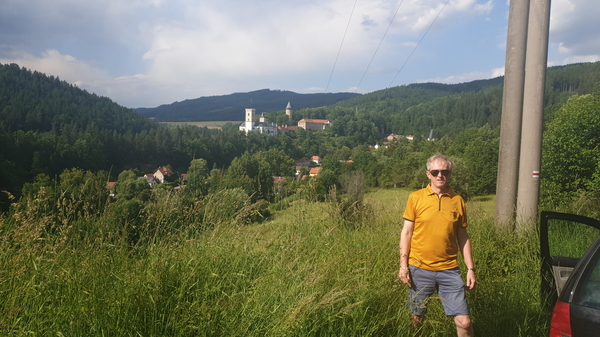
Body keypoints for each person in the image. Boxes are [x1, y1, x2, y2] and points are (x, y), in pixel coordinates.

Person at [398, 153, 476, 337]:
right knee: (417, 319)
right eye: (435, 172)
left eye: (445, 171)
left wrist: (470, 268)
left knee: (464, 322)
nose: (440, 175)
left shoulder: (457, 201)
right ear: (428, 174)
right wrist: (403, 266)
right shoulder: (415, 198)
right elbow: (406, 233)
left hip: (449, 270)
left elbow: (463, 236)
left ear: (450, 174)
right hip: (419, 268)